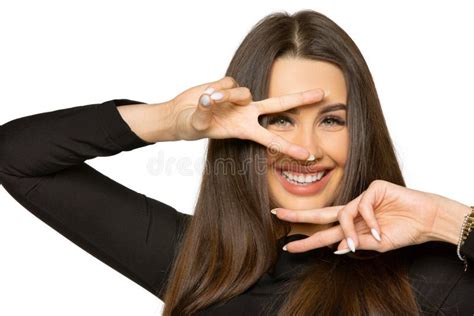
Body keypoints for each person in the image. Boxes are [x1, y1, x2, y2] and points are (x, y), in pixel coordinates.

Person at [0, 9, 473, 315]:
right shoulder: (200, 264)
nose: (306, 148)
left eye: (331, 121)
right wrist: (170, 121)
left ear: (363, 132)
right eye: (280, 120)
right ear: (241, 134)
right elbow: (16, 157)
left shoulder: (429, 281)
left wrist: (448, 220)